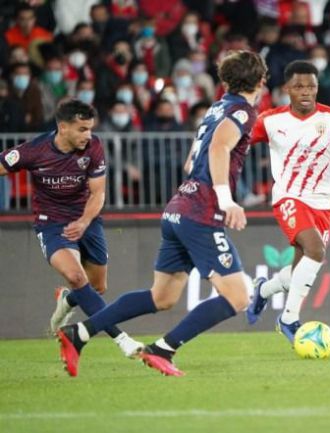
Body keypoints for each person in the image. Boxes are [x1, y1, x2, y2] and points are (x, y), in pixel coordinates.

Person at [56, 50, 268, 377]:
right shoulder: (242, 111)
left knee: (162, 296)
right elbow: (218, 148)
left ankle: (80, 333)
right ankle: (162, 349)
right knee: (238, 297)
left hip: (179, 207)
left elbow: (192, 161)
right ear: (260, 80)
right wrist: (226, 200)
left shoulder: (218, 107)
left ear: (225, 80)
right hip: (202, 212)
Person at [0, 99, 142, 358]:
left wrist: (84, 222)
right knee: (77, 278)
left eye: (90, 128)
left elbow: (98, 194)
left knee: (95, 288)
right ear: (62, 127)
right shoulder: (34, 150)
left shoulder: (94, 146)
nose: (88, 135)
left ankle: (67, 301)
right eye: (82, 129)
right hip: (51, 223)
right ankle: (122, 340)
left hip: (87, 219)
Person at [246, 60, 330, 343]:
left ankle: (263, 290)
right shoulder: (270, 121)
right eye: (299, 86)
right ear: (287, 88)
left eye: (311, 86)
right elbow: (236, 143)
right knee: (316, 250)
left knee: (302, 269)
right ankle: (288, 319)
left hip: (324, 203)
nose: (306, 92)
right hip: (289, 197)